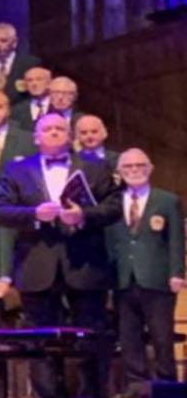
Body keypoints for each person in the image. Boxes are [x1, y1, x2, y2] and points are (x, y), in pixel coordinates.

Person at [0, 113, 120, 398]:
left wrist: (83, 215)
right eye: (47, 129)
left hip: (85, 265)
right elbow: (0, 211)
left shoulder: (96, 166)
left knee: (92, 338)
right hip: (37, 265)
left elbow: (115, 208)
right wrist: (34, 214)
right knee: (40, 342)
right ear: (36, 137)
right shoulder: (17, 169)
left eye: (59, 128)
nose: (53, 133)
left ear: (70, 135)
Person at [107, 148, 182, 398]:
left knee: (162, 338)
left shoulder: (167, 200)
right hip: (123, 279)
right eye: (128, 167)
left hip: (157, 279)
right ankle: (136, 387)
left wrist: (177, 273)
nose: (134, 170)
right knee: (129, 337)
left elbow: (175, 240)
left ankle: (167, 387)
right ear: (119, 172)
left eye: (140, 165)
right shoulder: (113, 202)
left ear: (150, 169)